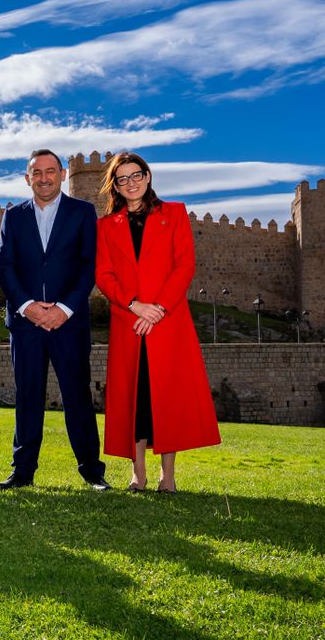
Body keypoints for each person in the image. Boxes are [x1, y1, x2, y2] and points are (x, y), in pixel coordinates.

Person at [95, 151, 221, 493]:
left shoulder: (175, 213)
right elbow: (103, 274)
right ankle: (138, 473)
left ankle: (168, 475)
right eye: (122, 178)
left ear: (148, 177)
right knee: (134, 399)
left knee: (166, 398)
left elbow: (184, 266)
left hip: (168, 321)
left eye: (136, 175)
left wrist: (159, 308)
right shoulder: (106, 226)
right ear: (115, 186)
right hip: (129, 321)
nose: (131, 182)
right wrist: (136, 306)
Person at [0, 149, 110, 491]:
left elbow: (89, 265)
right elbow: (5, 265)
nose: (43, 178)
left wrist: (65, 309)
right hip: (26, 323)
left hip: (69, 324)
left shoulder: (82, 212)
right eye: (36, 173)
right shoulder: (12, 217)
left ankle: (92, 471)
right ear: (27, 178)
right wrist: (27, 306)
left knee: (77, 396)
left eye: (50, 171)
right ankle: (23, 472)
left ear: (62, 174)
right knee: (27, 396)